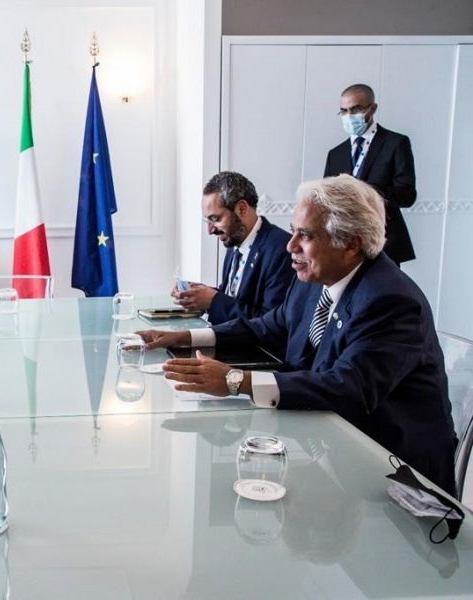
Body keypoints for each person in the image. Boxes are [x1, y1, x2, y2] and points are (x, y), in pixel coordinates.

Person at [141, 175, 457, 496]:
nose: (290, 246)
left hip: (395, 474)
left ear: (351, 244)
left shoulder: (390, 300)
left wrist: (236, 381)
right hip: (327, 446)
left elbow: (347, 388)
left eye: (305, 235)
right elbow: (265, 327)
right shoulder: (314, 281)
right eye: (293, 231)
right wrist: (183, 337)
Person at [174, 172, 293, 324]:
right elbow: (235, 298)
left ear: (242, 209)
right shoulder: (235, 239)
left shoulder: (281, 249)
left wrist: (213, 301)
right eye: (207, 221)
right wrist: (199, 295)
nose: (210, 230)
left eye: (215, 219)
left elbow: (270, 324)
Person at [324, 84, 417, 265]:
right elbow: (328, 201)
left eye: (355, 109)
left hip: (384, 243)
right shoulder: (336, 154)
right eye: (343, 111)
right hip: (345, 245)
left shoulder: (396, 143)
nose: (349, 116)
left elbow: (407, 195)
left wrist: (363, 189)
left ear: (372, 109)